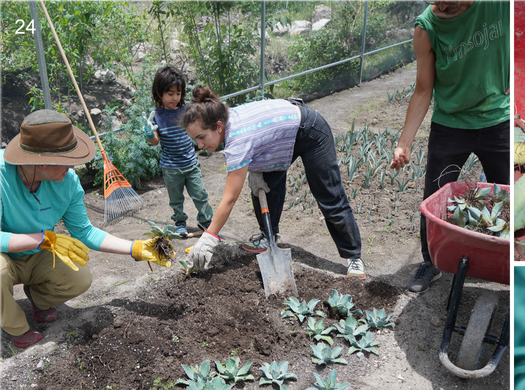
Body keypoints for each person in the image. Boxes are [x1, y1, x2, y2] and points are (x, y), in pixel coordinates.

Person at [1, 110, 174, 349]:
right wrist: (41, 238)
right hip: (6, 257)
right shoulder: (2, 177)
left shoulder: (67, 182)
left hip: (37, 252)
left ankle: (39, 299)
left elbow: (85, 232)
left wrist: (135, 248)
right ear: (40, 162)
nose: (73, 167)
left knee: (79, 278)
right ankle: (15, 326)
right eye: (66, 161)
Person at [179, 86, 364, 279]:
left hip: (310, 130)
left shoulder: (238, 139)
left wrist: (209, 238)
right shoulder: (224, 117)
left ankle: (354, 256)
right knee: (265, 185)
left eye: (201, 137)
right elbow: (260, 135)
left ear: (218, 126)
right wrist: (259, 168)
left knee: (329, 194)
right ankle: (268, 236)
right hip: (281, 138)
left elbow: (230, 199)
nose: (199, 146)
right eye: (195, 140)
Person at [389, 0, 510, 293]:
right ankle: (432, 261)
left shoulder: (499, 6)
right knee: (434, 197)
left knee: (512, 194)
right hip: (450, 124)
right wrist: (404, 143)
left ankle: (511, 258)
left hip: (499, 120)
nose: (442, 6)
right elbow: (422, 89)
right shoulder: (426, 27)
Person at [143, 66, 213, 237]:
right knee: (176, 199)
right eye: (170, 93)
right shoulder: (157, 116)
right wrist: (149, 133)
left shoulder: (185, 110)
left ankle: (207, 222)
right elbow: (155, 142)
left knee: (200, 194)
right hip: (171, 168)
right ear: (159, 93)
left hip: (191, 163)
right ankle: (180, 222)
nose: (175, 98)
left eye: (179, 93)